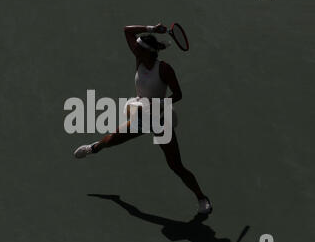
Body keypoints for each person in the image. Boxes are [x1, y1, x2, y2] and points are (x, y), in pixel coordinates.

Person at [74, 23, 212, 214]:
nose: (134, 50)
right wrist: (152, 28)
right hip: (140, 112)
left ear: (148, 52)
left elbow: (178, 94)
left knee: (176, 165)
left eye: (138, 48)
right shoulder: (140, 57)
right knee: (112, 139)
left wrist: (159, 104)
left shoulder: (164, 69)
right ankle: (93, 148)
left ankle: (202, 198)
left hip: (160, 119)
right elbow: (126, 30)